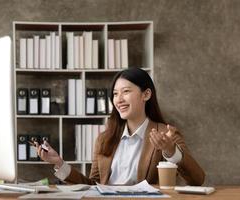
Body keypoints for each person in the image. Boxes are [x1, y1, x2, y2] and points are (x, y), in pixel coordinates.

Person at [35, 67, 205, 186]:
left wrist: (170, 151)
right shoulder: (104, 139)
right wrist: (59, 163)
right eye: (115, 94)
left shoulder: (166, 134)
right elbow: (93, 186)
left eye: (126, 91)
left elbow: (197, 179)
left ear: (146, 94)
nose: (119, 99)